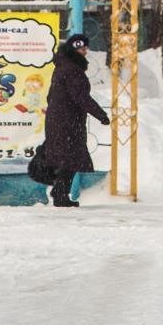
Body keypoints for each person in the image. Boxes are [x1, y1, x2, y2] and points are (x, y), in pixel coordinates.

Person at [30, 33, 108, 207]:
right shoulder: (72, 70)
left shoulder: (62, 67)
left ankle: (60, 193)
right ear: (75, 50)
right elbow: (81, 97)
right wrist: (101, 115)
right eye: (83, 49)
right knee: (70, 158)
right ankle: (60, 193)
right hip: (67, 122)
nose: (86, 52)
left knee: (66, 157)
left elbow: (53, 96)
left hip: (60, 119)